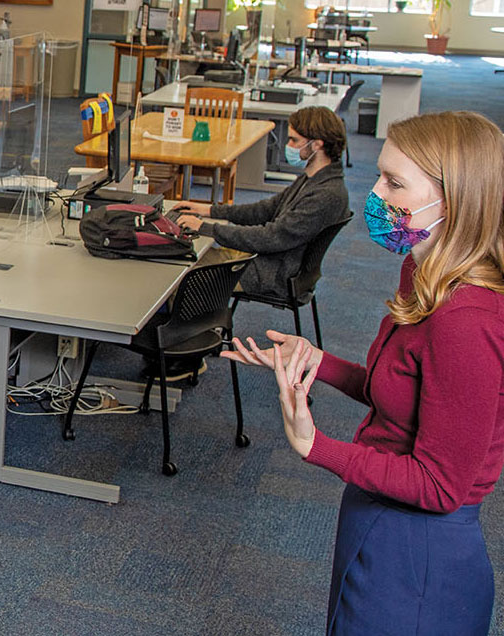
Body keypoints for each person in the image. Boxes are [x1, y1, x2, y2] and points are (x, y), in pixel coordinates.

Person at [224, 111, 504, 634]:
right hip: (379, 512)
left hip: (419, 548)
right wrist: (316, 361)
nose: (373, 192)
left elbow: (441, 486)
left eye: (394, 182)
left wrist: (316, 447)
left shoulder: (468, 322)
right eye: (379, 174)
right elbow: (403, 393)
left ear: (457, 199)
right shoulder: (422, 271)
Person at [175, 105, 350, 298]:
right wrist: (211, 210)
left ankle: (190, 327)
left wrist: (205, 228)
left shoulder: (325, 195)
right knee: (182, 261)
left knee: (179, 276)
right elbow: (266, 209)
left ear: (316, 145)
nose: (288, 145)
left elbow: (271, 237)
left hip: (274, 271)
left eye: (294, 140)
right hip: (272, 260)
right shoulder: (316, 179)